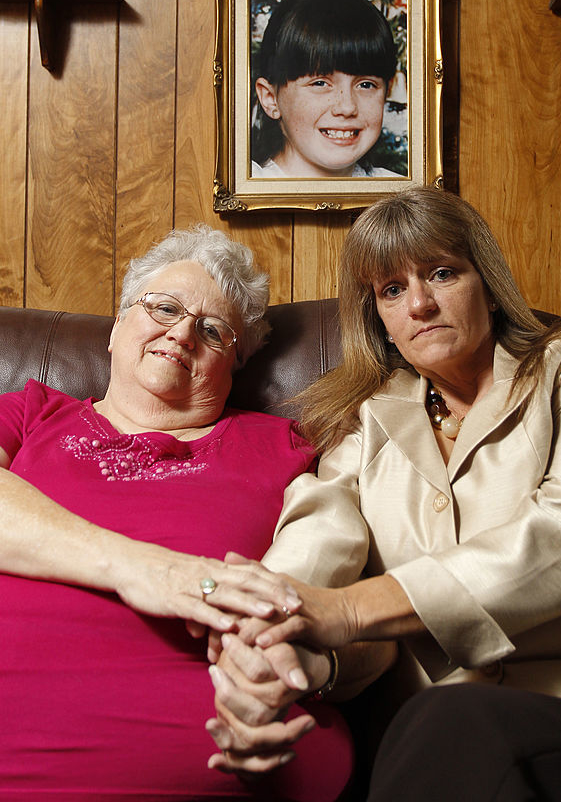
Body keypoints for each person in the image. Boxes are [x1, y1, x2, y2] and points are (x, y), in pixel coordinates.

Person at [204, 187, 561, 798]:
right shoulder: (366, 421)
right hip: (434, 749)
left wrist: (349, 610)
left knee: (453, 723)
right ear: (379, 320)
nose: (419, 304)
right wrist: (269, 634)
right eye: (392, 289)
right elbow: (320, 534)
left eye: (442, 273)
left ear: (488, 285)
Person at [0, 225, 353, 802]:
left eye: (213, 331)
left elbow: (342, 586)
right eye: (164, 308)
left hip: (217, 739)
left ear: (235, 364)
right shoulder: (33, 414)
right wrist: (142, 569)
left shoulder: (284, 446)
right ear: (116, 327)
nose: (183, 332)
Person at [251, 0, 402, 178]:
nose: (347, 107)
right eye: (320, 83)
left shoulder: (399, 188)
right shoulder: (246, 188)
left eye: (366, 85)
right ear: (270, 98)